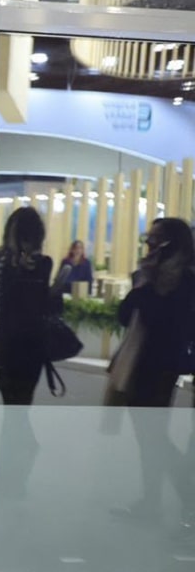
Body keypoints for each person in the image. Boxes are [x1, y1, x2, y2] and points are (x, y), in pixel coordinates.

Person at [109, 217, 195, 524]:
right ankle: (151, 500)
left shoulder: (185, 281)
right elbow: (123, 316)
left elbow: (171, 325)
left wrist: (147, 289)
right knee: (147, 438)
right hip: (138, 364)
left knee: (154, 436)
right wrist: (142, 282)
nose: (148, 245)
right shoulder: (148, 276)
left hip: (162, 367)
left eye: (155, 239)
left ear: (171, 244)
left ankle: (184, 495)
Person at [0, 206, 52, 498]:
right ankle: (11, 479)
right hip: (25, 349)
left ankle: (11, 477)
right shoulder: (39, 265)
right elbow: (44, 307)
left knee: (13, 410)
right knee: (17, 411)